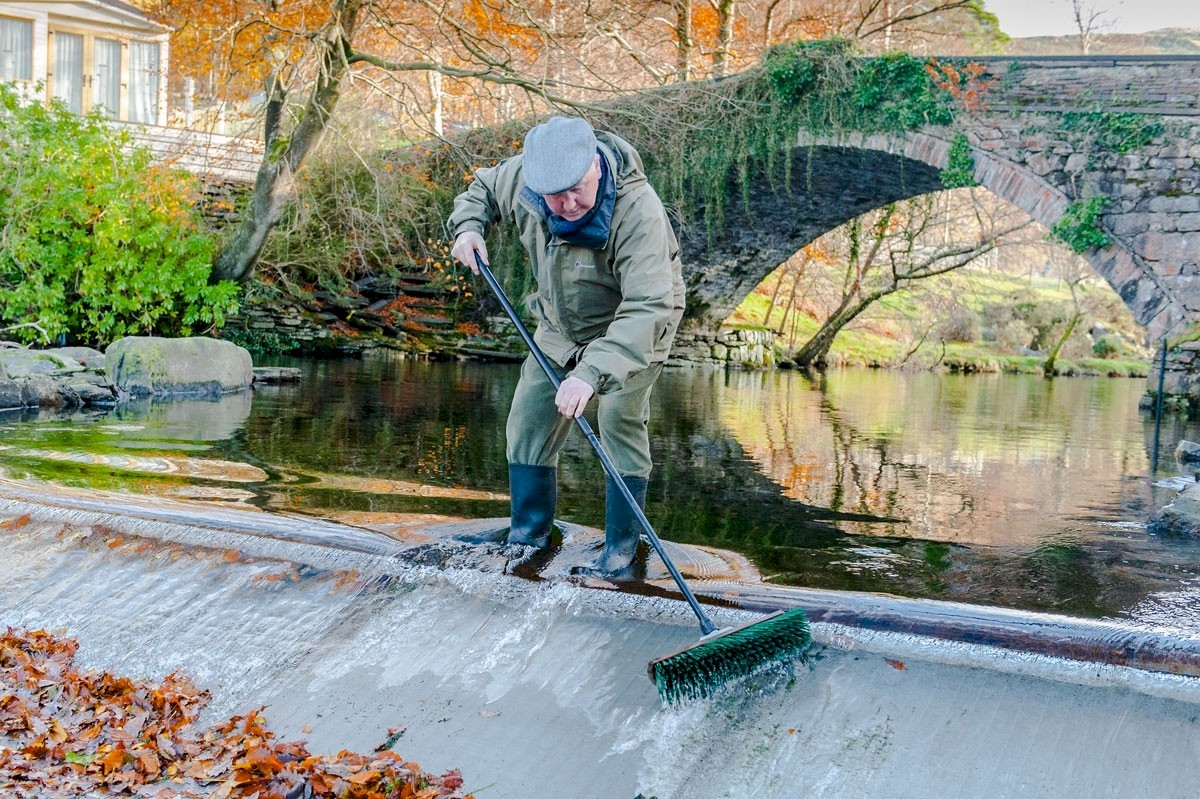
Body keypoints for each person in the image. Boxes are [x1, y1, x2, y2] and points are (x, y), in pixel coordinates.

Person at [448, 116, 685, 577]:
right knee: (528, 420)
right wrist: (468, 227)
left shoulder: (639, 211)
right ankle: (529, 538)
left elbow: (648, 305)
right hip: (558, 326)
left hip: (634, 325)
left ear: (595, 163)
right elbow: (480, 189)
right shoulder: (524, 178)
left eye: (577, 188)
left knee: (618, 418)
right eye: (555, 195)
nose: (568, 203)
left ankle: (621, 550)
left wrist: (590, 373)